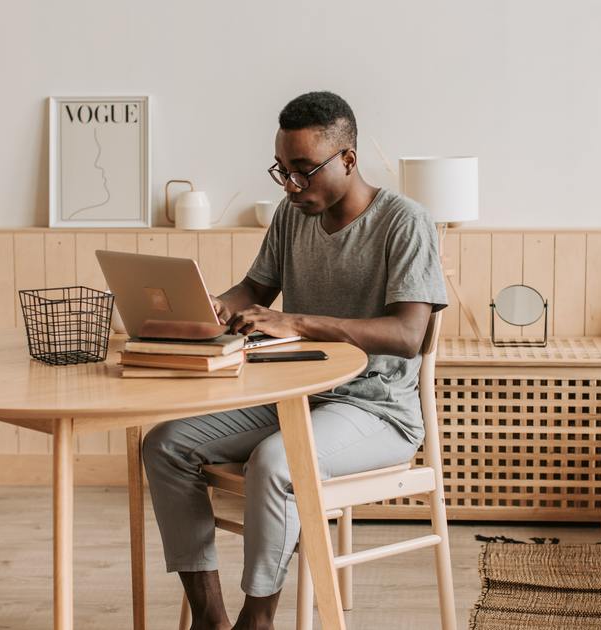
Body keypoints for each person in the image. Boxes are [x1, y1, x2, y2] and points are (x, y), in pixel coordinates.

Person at [142, 91, 448, 630]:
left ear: (348, 160)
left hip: (377, 411)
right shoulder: (292, 215)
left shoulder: (405, 222)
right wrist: (209, 307)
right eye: (282, 170)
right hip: (292, 395)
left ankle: (257, 620)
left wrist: (299, 321)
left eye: (304, 170)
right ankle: (211, 618)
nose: (290, 184)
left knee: (275, 462)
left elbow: (407, 334)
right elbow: (254, 289)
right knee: (166, 444)